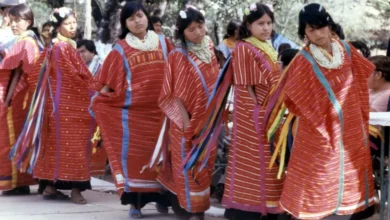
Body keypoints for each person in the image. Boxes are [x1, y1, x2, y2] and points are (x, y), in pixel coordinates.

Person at [264, 3, 375, 219]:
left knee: (347, 185)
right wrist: (322, 114)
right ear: (304, 33)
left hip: (350, 130)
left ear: (330, 26)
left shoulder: (347, 50)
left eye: (321, 27)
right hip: (317, 133)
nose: (317, 33)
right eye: (310, 29)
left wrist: (356, 111)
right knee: (315, 186)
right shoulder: (302, 61)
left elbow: (365, 79)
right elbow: (293, 97)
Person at [90, 2, 173, 219]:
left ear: (147, 17)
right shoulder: (120, 49)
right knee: (136, 161)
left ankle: (165, 201)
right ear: (125, 23)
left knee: (165, 160)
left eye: (139, 16)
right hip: (133, 118)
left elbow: (178, 73)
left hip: (164, 115)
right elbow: (108, 83)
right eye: (131, 19)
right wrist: (99, 102)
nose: (137, 21)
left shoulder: (165, 43)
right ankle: (135, 205)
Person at [10, 7, 94, 205]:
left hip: (54, 106)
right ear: (58, 27)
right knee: (75, 146)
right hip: (69, 107)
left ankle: (50, 187)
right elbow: (76, 75)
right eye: (67, 24)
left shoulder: (52, 47)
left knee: (54, 146)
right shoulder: (63, 48)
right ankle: (76, 191)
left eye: (74, 22)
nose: (72, 26)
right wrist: (94, 87)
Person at [220, 3, 287, 220]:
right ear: (249, 25)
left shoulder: (266, 45)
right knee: (258, 163)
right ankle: (251, 210)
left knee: (271, 164)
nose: (266, 27)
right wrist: (259, 116)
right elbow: (246, 87)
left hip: (272, 113)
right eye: (260, 23)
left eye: (269, 23)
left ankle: (269, 209)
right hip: (255, 117)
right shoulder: (244, 48)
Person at [157, 7, 219, 220]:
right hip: (185, 119)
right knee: (188, 164)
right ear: (182, 32)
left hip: (209, 120)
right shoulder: (177, 55)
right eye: (191, 29)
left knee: (205, 164)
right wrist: (185, 121)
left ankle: (200, 207)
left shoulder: (210, 48)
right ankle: (192, 210)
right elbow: (172, 93)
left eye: (200, 26)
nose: (198, 32)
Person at [0, 3, 42, 196]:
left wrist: (7, 99)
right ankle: (21, 181)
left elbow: (15, 72)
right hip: (27, 97)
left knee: (12, 137)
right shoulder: (31, 40)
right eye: (13, 20)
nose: (14, 24)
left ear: (29, 21)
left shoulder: (25, 41)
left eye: (18, 21)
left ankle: (15, 182)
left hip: (21, 98)